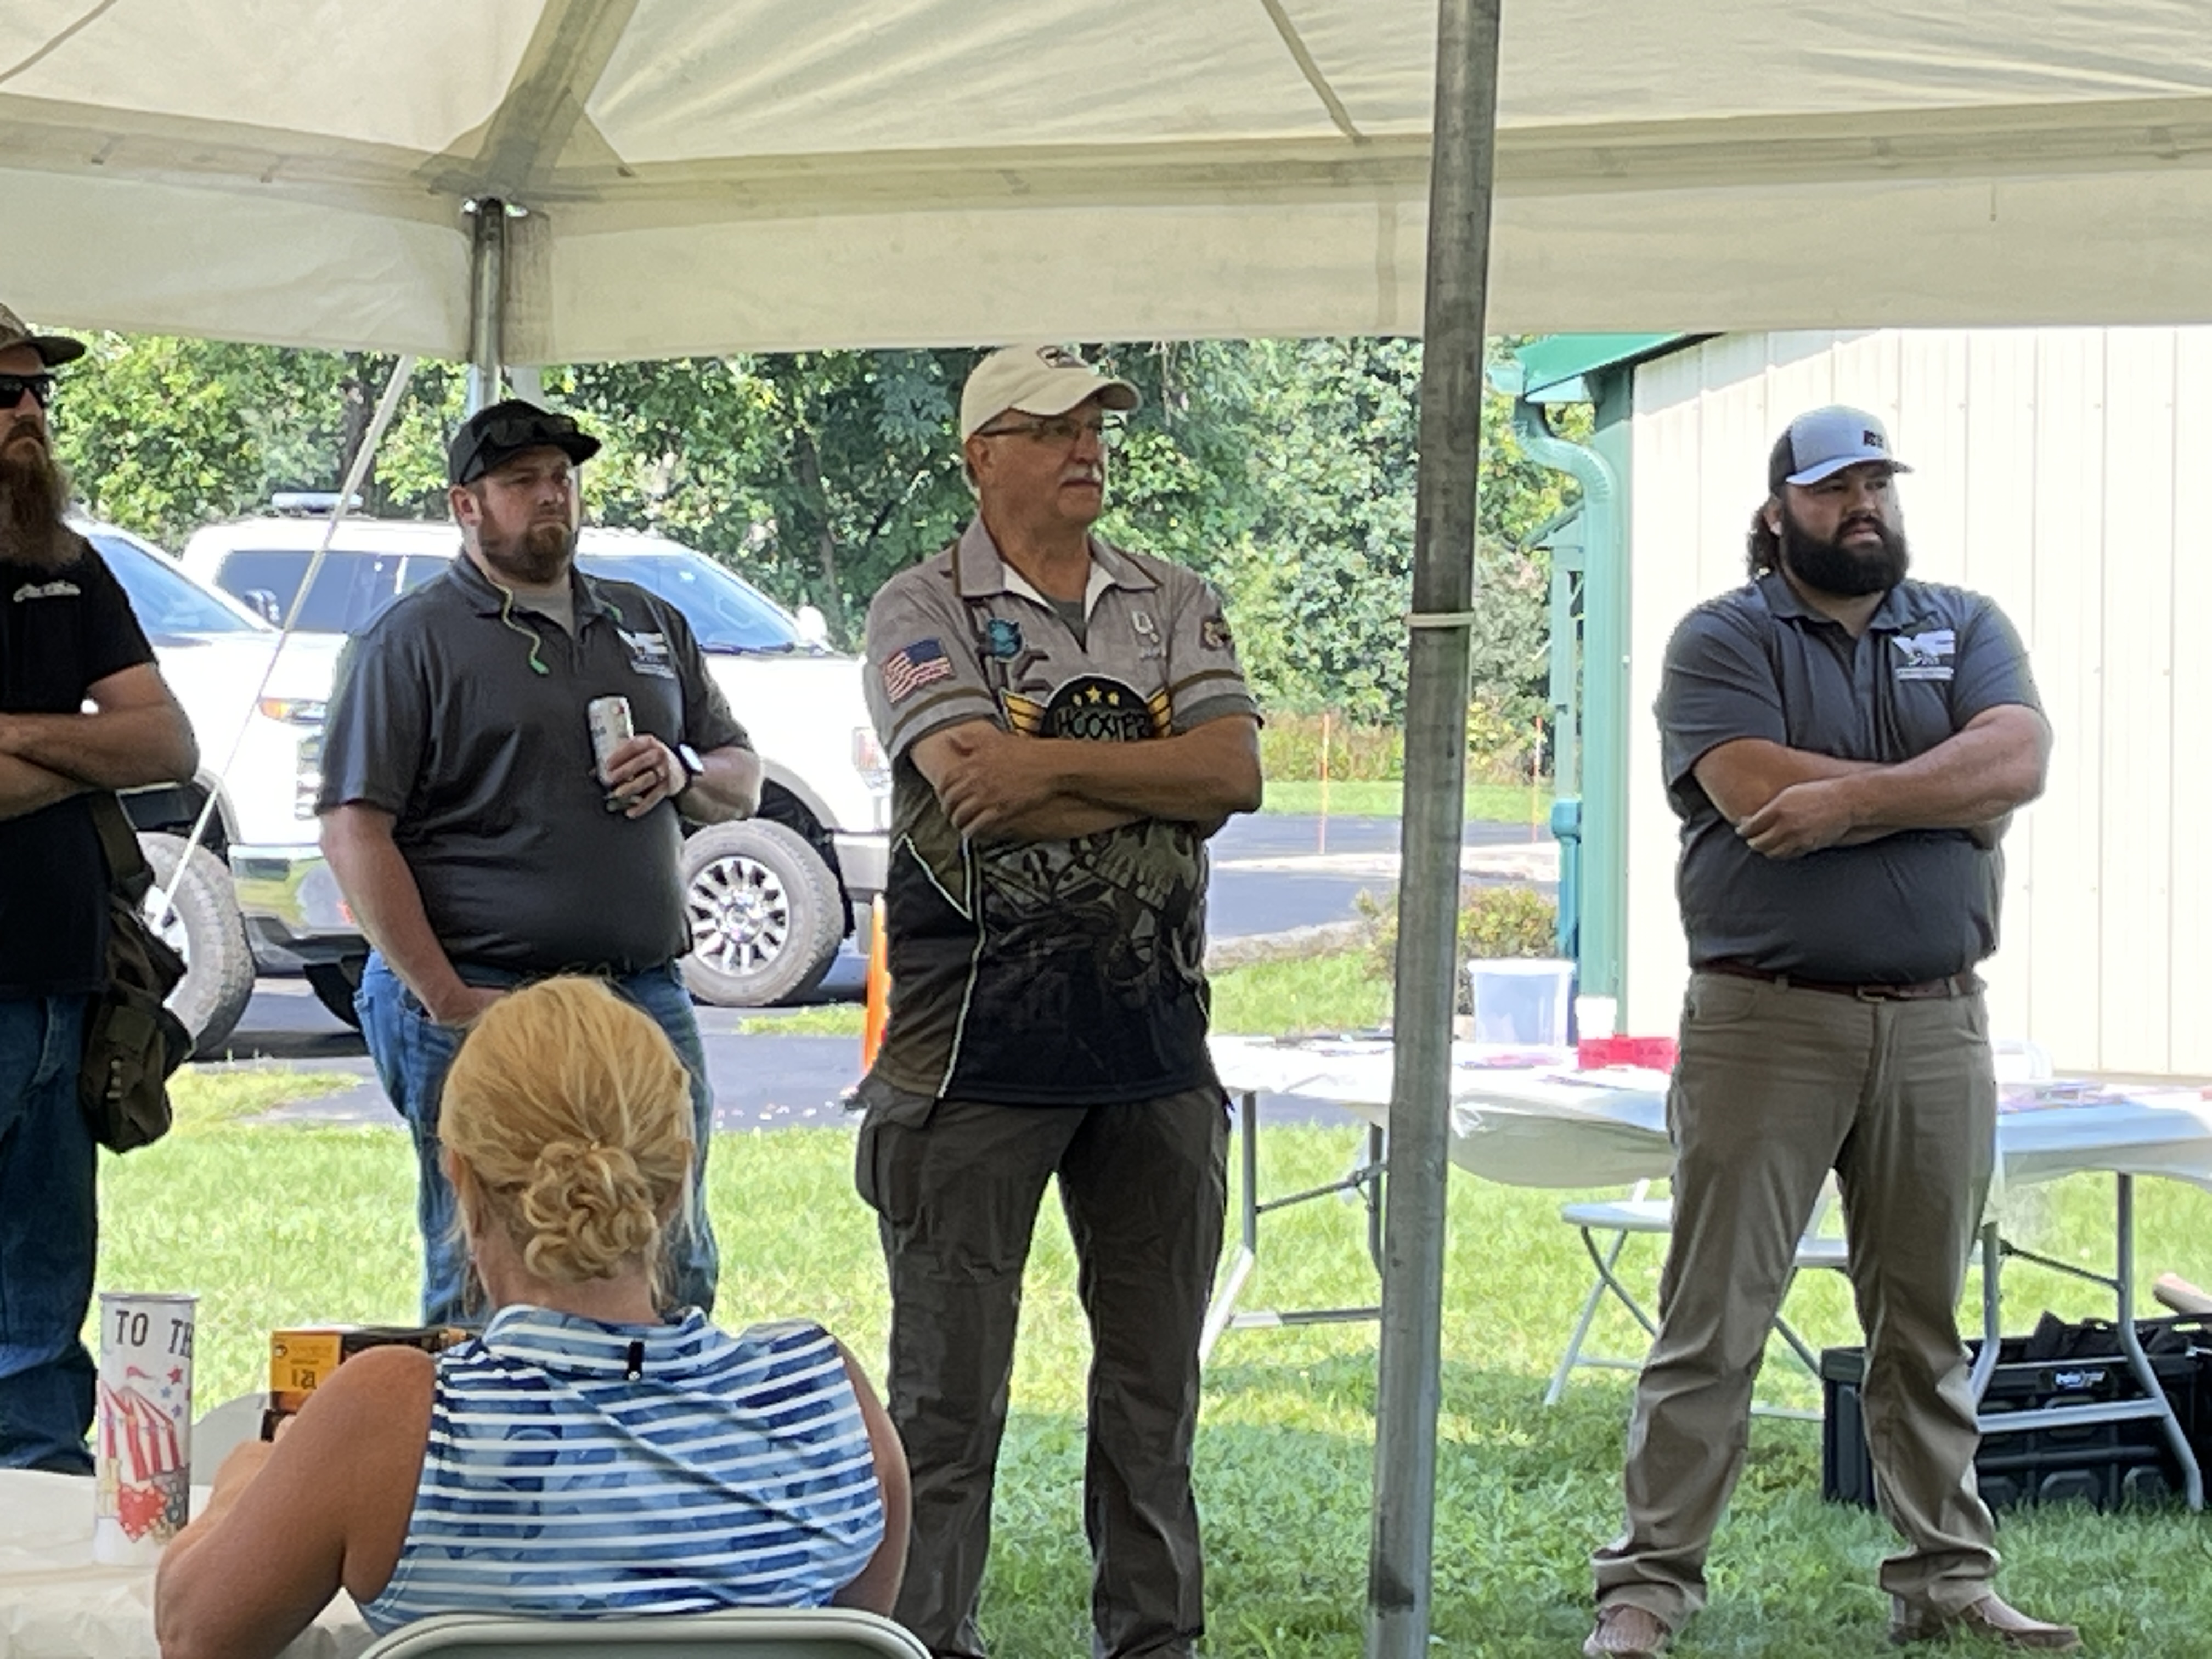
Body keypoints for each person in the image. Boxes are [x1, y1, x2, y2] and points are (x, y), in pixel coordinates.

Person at [1584, 407, 2073, 1657]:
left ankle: (1948, 1577)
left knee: (1924, 1323)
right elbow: (1754, 792)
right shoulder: (1723, 638)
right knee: (1716, 1318)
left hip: (1938, 1022)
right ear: (1777, 513)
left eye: (1877, 484)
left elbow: (2016, 759)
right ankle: (1646, 1590)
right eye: (1833, 488)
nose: (1864, 505)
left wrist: (1848, 801)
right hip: (1767, 1021)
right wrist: (1938, 796)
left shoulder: (1961, 624)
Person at [854, 344, 1262, 1659]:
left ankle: (1155, 1643)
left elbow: (1234, 773)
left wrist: (1049, 769)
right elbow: (973, 786)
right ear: (981, 455)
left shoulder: (1173, 597)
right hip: (971, 1058)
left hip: (1156, 1055)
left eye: (1096, 426)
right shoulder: (920, 605)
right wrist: (1151, 779)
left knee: (1154, 1404)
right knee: (946, 1408)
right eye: (1050, 428)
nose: (1086, 447)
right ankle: (926, 1642)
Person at [154, 975, 909, 1659]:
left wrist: (245, 1479)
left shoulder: (390, 1419)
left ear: (461, 1182)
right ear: (680, 1178)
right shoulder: (827, 1400)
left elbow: (193, 1634)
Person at [318, 399, 761, 1328]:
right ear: (465, 505)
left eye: (561, 477)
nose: (552, 496)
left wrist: (680, 769)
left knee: (670, 1250)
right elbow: (355, 832)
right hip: (483, 988)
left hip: (640, 991)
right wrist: (445, 997)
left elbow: (742, 776)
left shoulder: (645, 621)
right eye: (521, 482)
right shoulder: (411, 640)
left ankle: (664, 1411)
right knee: (487, 1263)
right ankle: (485, 1418)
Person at [0, 303, 197, 1472]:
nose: (30, 412)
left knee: (39, 1299)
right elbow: (117, 745)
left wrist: (20, 734)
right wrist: (83, 751)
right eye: (4, 393)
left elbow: (166, 742)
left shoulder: (68, 569)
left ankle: (30, 1514)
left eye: (40, 393)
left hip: (67, 988)